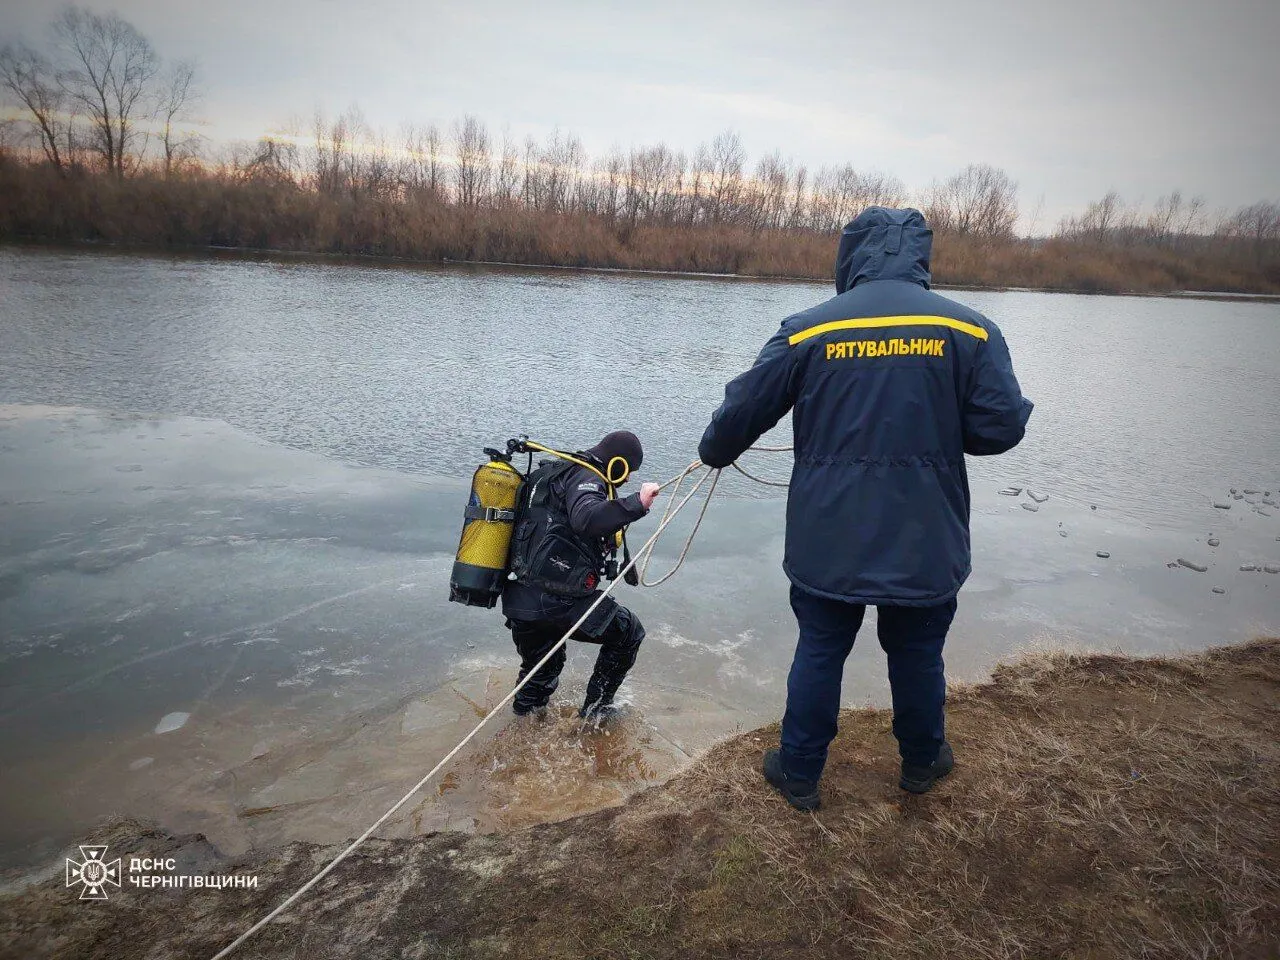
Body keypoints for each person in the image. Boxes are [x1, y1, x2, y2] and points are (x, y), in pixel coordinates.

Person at [698, 207, 1033, 809]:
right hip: (925, 534)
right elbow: (1000, 429)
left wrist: (715, 451)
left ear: (849, 255)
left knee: (822, 646)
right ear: (919, 256)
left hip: (830, 534)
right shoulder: (973, 331)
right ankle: (923, 761)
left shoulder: (807, 330)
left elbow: (736, 420)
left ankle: (799, 772)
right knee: (917, 651)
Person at [502, 430, 661, 721]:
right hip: (557, 601)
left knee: (541, 669)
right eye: (629, 472)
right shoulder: (588, 477)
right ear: (619, 463)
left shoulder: (556, 473)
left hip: (520, 599)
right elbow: (587, 518)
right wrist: (637, 503)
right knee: (629, 633)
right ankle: (596, 714)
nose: (626, 480)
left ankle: (521, 726)